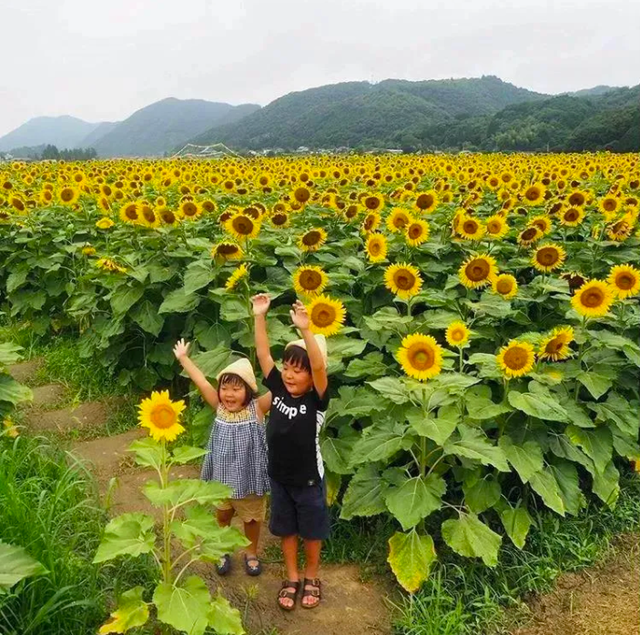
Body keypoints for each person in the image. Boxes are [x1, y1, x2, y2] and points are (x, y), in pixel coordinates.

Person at [252, 294, 330, 610]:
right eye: (287, 367)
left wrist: (306, 331)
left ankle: (312, 576)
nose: (289, 374)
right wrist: (259, 315)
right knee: (286, 529)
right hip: (280, 478)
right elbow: (261, 354)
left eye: (299, 370)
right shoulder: (279, 390)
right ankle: (292, 576)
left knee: (311, 532)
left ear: (312, 378)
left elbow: (320, 364)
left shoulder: (317, 400)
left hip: (309, 480)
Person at [173, 339, 271, 576]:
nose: (229, 394)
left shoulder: (257, 408)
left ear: (248, 390)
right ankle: (221, 549)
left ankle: (251, 553)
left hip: (249, 478)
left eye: (236, 389)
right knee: (223, 514)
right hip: (222, 478)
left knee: (251, 519)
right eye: (225, 388)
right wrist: (184, 358)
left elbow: (280, 388)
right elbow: (200, 380)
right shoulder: (218, 406)